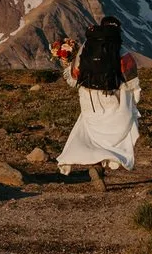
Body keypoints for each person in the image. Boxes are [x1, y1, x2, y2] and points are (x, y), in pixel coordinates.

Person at [56, 16, 141, 188]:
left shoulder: (86, 47)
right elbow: (131, 78)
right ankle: (103, 167)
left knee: (92, 134)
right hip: (113, 96)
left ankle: (96, 166)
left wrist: (66, 61)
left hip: (88, 98)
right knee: (116, 134)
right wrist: (134, 100)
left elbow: (74, 75)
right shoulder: (120, 49)